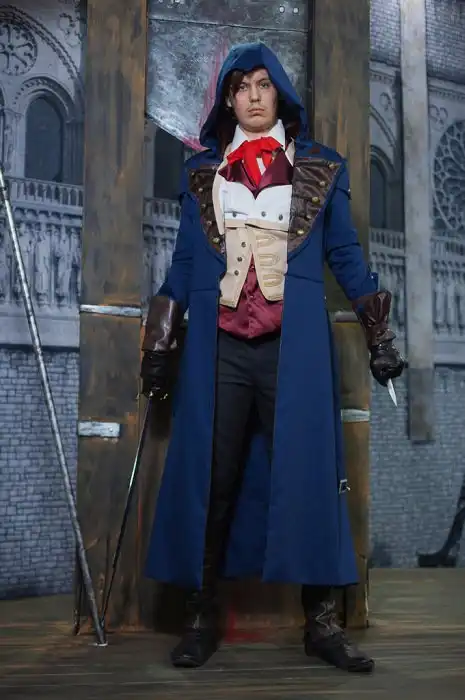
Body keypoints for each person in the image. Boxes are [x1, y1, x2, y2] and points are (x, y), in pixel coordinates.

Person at [140, 42, 404, 673]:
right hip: (221, 347)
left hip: (295, 346)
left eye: (263, 84)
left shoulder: (320, 168)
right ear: (228, 100)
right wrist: (159, 342)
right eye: (241, 87)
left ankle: (322, 625)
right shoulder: (204, 173)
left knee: (310, 475)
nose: (254, 96)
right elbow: (183, 264)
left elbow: (346, 255)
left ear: (279, 94)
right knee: (213, 479)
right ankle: (202, 617)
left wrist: (379, 335)